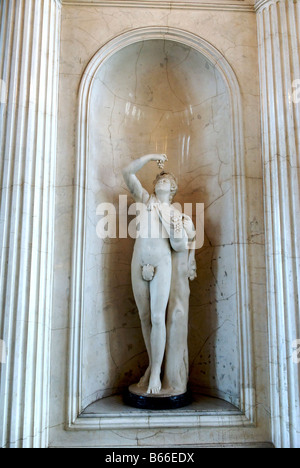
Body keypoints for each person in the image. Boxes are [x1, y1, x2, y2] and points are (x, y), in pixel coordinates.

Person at [122, 154, 196, 395]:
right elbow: (127, 173)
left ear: (173, 188)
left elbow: (179, 246)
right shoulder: (145, 201)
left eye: (167, 179)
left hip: (161, 264)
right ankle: (153, 365)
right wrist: (152, 157)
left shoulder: (176, 215)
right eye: (159, 178)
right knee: (144, 317)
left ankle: (155, 373)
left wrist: (175, 228)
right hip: (139, 263)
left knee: (156, 318)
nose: (162, 180)